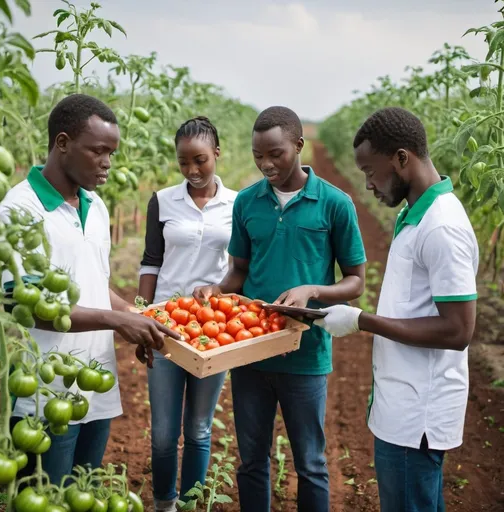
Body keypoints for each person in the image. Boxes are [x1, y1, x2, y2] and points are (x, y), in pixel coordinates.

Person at [0, 93, 179, 485]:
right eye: (98, 151)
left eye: (111, 153)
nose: (107, 163)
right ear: (62, 143)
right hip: (43, 394)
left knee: (82, 489)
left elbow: (96, 285)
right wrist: (114, 322)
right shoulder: (19, 210)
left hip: (92, 387)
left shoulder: (94, 206)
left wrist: (135, 316)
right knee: (47, 496)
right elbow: (23, 306)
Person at [193, 106, 367, 512]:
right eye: (258, 155)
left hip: (305, 356)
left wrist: (312, 290)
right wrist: (215, 290)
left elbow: (356, 281)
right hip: (249, 348)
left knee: (311, 463)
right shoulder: (248, 202)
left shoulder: (334, 204)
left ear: (299, 146)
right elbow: (239, 270)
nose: (266, 164)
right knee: (251, 460)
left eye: (276, 154)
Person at [314, 107, 479, 512]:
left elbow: (458, 330)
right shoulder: (415, 215)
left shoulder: (441, 227)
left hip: (416, 416)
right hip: (400, 408)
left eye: (371, 171)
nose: (367, 184)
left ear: (402, 159)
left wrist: (361, 320)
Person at [136, 117, 237, 512]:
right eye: (184, 163)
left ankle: (192, 504)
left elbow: (239, 266)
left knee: (197, 428)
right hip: (164, 325)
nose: (193, 171)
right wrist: (141, 319)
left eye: (200, 161)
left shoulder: (238, 203)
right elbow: (150, 262)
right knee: (162, 433)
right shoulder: (162, 200)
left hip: (214, 328)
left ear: (217, 154)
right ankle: (164, 503)